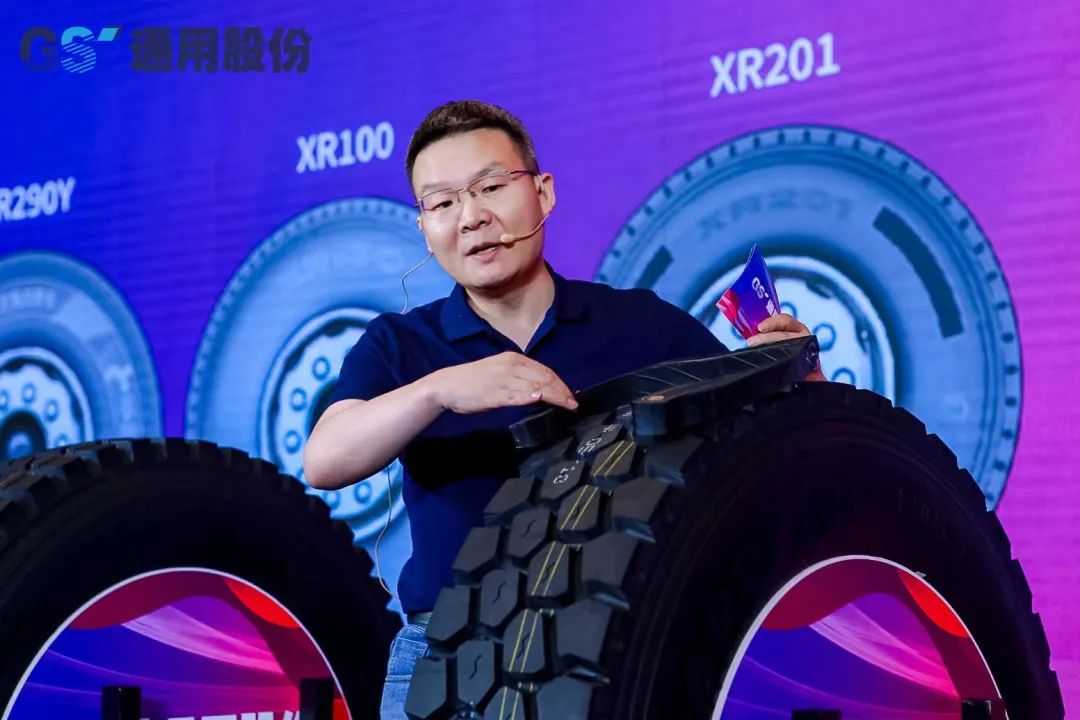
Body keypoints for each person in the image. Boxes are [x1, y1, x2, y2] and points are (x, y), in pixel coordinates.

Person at [302, 100, 823, 719]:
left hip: (620, 643)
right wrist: (440, 390)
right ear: (424, 227)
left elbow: (764, 448)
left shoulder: (640, 323)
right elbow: (325, 460)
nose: (471, 217)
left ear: (543, 192)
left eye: (491, 187)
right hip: (447, 654)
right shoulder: (401, 344)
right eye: (442, 203)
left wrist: (801, 373)